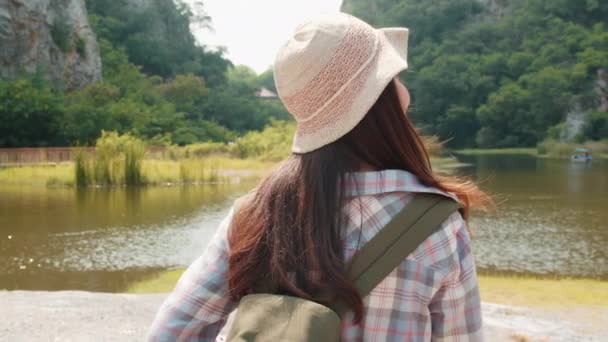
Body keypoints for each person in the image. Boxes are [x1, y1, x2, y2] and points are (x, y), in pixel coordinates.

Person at [148, 12, 491, 341]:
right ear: (381, 99)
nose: (405, 89)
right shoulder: (438, 227)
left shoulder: (254, 214)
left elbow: (171, 332)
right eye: (395, 77)